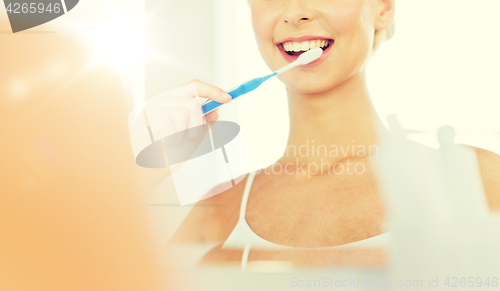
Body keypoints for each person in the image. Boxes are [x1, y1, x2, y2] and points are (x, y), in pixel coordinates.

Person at [166, 0, 500, 267]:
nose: (295, 13)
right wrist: (145, 164)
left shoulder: (478, 178)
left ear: (383, 8)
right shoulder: (218, 206)